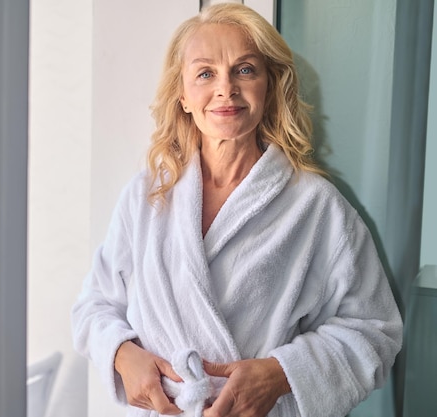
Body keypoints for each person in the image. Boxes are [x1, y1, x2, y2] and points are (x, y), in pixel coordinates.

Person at [71, 3, 403, 417]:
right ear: (183, 95)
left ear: (269, 85)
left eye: (245, 69)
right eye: (205, 73)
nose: (225, 89)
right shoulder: (147, 196)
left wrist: (281, 374)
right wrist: (122, 355)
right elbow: (93, 305)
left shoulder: (316, 207)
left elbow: (374, 331)